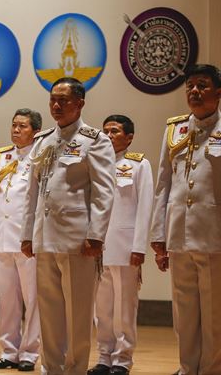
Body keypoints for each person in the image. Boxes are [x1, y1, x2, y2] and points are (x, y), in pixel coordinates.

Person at [20, 77, 115, 375]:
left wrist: (96, 235)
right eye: (53, 100)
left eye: (63, 100)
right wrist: (27, 235)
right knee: (48, 312)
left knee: (78, 313)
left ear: (80, 103)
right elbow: (32, 193)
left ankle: (75, 369)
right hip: (45, 238)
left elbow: (104, 190)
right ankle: (52, 368)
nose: (57, 106)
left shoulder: (95, 140)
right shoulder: (44, 140)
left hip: (77, 241)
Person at [150, 64, 221, 375]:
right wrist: (158, 233)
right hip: (179, 233)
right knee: (185, 309)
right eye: (190, 85)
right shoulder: (175, 129)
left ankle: (211, 368)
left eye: (202, 85)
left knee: (215, 311)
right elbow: (163, 184)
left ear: (218, 93)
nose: (194, 91)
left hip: (214, 235)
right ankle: (187, 367)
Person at [88, 115, 153, 375]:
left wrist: (139, 246)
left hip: (126, 247)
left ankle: (123, 360)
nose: (109, 135)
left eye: (114, 131)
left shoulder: (139, 165)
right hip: (98, 248)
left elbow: (145, 206)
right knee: (101, 309)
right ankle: (104, 357)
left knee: (125, 308)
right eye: (105, 131)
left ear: (129, 137)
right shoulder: (95, 164)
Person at [0, 109, 42, 372]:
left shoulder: (42, 155)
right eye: (14, 125)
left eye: (23, 126)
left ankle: (30, 353)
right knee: (7, 300)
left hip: (28, 240)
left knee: (34, 300)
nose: (16, 130)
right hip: (4, 238)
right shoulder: (2, 156)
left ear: (36, 131)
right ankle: (9, 351)